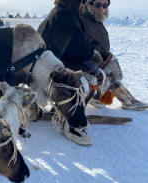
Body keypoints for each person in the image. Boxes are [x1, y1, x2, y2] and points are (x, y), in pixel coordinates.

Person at [37, 0, 103, 145]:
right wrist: (92, 54)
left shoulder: (59, 12)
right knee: (90, 80)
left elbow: (69, 43)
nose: (82, 5)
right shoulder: (65, 15)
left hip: (51, 63)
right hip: (54, 68)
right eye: (81, 2)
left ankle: (78, 110)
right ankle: (70, 123)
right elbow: (79, 45)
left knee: (94, 74)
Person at [80, 0, 148, 110]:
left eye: (105, 5)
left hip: (99, 59)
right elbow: (81, 45)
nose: (101, 8)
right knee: (110, 75)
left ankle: (94, 96)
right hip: (88, 61)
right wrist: (98, 54)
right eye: (98, 4)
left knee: (112, 71)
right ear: (90, 3)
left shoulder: (96, 20)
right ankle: (128, 100)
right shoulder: (83, 20)